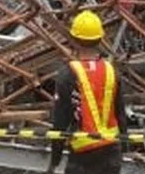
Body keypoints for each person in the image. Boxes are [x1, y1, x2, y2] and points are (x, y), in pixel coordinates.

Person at [47, 10, 126, 174]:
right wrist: (124, 148)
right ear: (100, 39)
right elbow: (120, 113)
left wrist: (55, 160)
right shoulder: (111, 71)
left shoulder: (68, 74)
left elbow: (60, 120)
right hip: (111, 152)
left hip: (83, 155)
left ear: (74, 40)